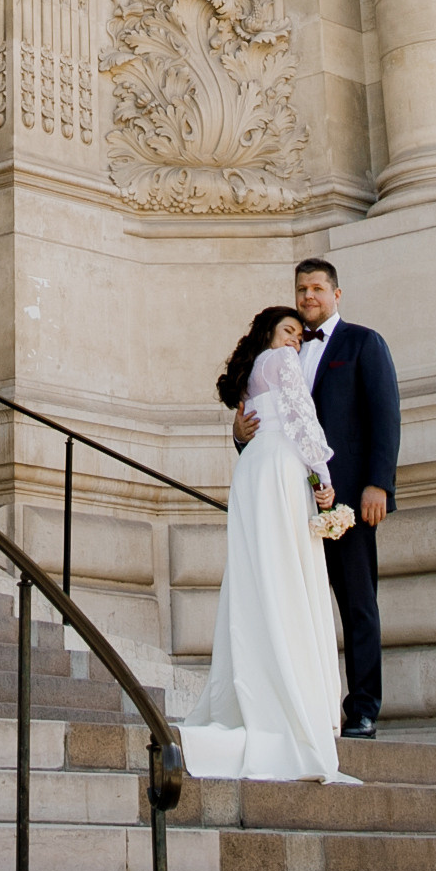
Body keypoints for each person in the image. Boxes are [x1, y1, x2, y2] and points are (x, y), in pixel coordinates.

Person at [180, 305, 355, 784]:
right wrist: (324, 477)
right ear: (268, 334)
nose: (296, 341)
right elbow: (302, 419)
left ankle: (260, 686)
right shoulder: (281, 363)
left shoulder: (251, 374)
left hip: (254, 470)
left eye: (300, 335)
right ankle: (292, 697)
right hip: (281, 468)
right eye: (288, 331)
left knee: (259, 577)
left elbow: (262, 420)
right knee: (287, 576)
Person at [235, 256, 399, 740]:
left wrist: (379, 484)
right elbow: (271, 422)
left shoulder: (362, 342)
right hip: (290, 499)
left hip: (346, 499)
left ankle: (364, 707)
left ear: (336, 295)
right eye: (302, 288)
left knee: (357, 603)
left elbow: (384, 415)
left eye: (317, 289)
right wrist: (241, 434)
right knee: (297, 600)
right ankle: (307, 703)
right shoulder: (279, 351)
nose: (309, 296)